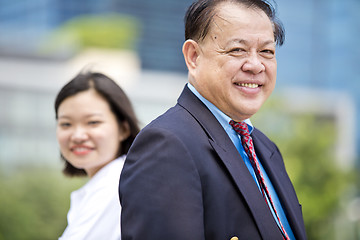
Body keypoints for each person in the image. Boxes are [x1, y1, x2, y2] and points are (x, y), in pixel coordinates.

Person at [119, 0, 307, 239]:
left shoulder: (266, 149)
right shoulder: (167, 146)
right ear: (193, 56)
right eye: (237, 50)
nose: (255, 65)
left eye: (267, 52)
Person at [55, 71, 139, 240]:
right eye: (66, 124)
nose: (78, 135)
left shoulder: (116, 187)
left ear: (123, 128)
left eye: (93, 122)